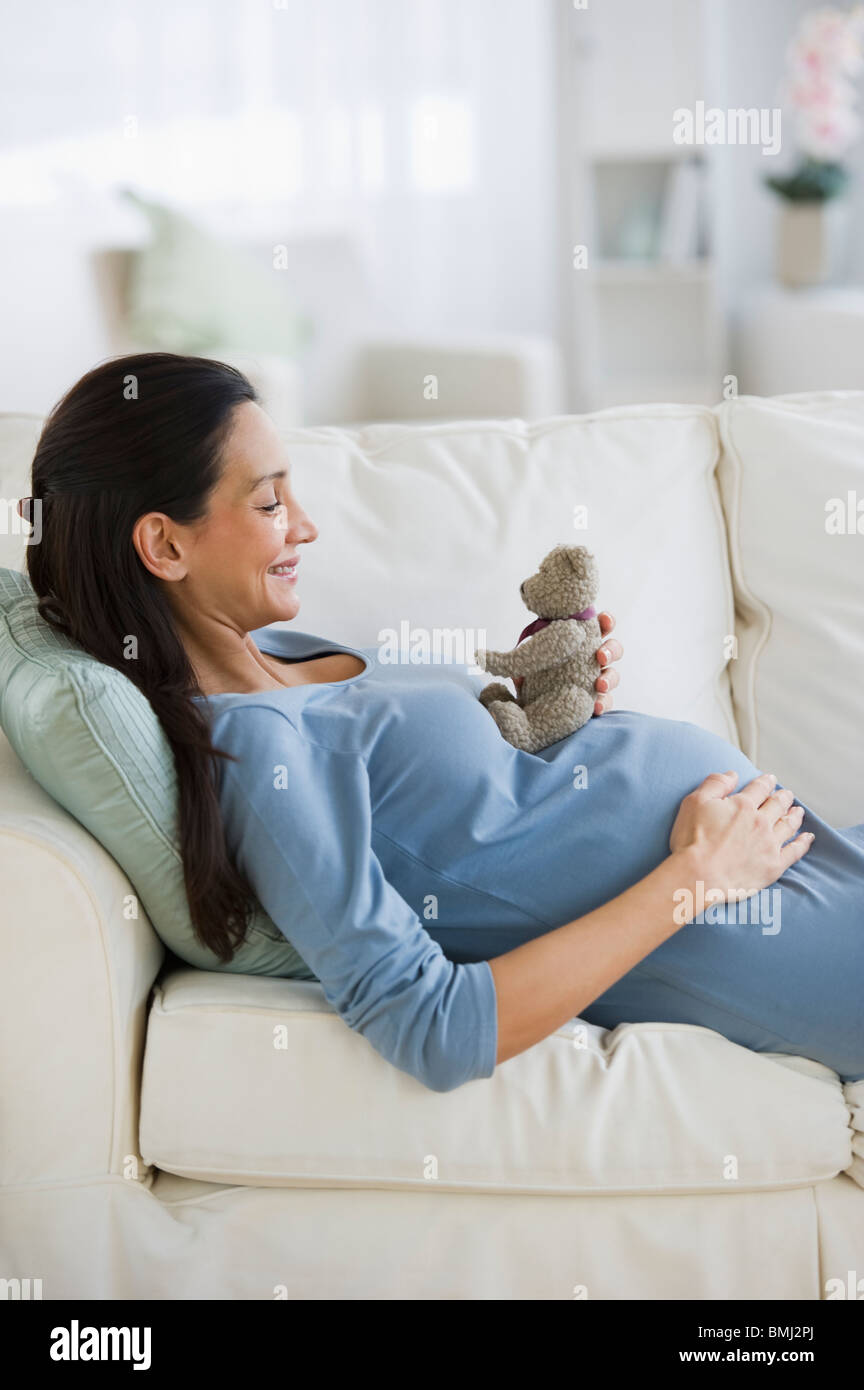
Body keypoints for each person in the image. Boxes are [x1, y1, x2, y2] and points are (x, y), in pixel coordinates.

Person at [26, 354, 863, 1095]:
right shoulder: (258, 752)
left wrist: (552, 723)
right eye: (272, 501)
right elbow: (432, 1027)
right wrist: (697, 879)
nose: (305, 526)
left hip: (809, 854)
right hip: (784, 931)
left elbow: (482, 816)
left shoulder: (281, 651)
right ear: (164, 547)